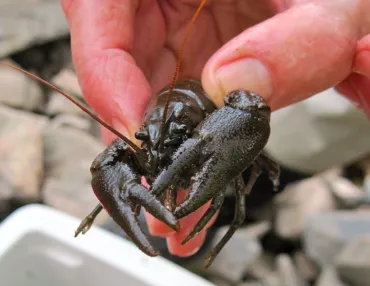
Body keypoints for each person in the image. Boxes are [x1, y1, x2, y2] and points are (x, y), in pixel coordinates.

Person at [60, 0, 370, 257]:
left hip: (251, 124)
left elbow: (247, 114)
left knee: (260, 163)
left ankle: (219, 203)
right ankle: (143, 218)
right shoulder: (151, 129)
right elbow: (109, 163)